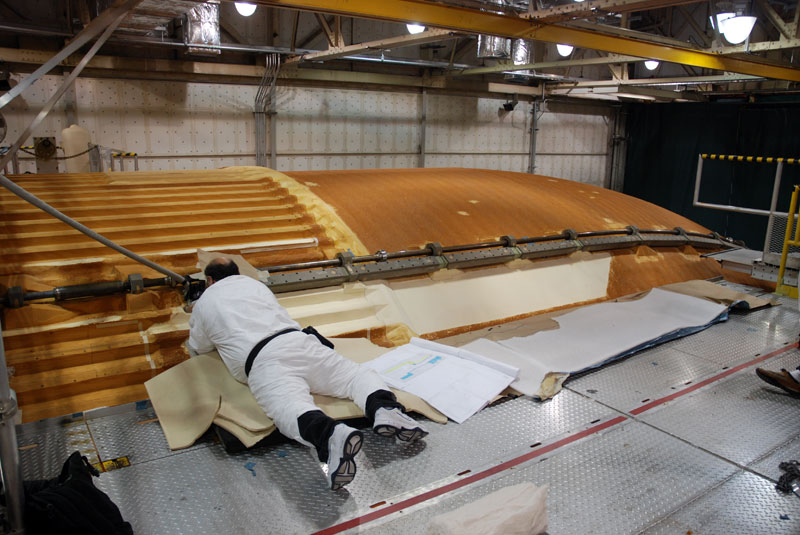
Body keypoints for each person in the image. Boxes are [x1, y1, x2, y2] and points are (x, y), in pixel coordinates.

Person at [187, 257, 428, 490]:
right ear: (237, 273)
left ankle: (330, 436)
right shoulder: (255, 286)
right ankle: (385, 409)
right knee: (356, 376)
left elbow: (200, 346)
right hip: (300, 342)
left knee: (290, 407)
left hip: (264, 360)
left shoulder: (205, 302)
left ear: (209, 280)